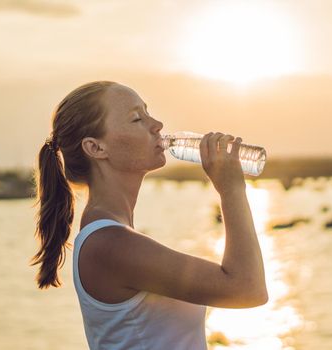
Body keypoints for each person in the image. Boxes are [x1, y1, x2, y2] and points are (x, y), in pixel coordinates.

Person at [31, 81, 268, 349]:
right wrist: (231, 189)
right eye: (136, 118)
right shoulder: (109, 244)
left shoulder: (113, 234)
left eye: (148, 112)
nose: (157, 124)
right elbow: (247, 289)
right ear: (96, 148)